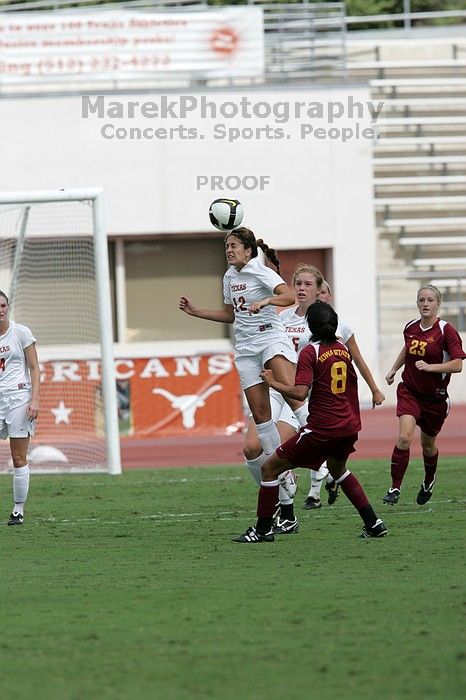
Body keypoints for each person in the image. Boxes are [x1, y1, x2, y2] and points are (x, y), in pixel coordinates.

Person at [232, 300, 388, 542]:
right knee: (338, 469)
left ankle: (263, 530)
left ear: (310, 326)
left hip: (323, 428)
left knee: (269, 468)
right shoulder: (341, 349)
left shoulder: (310, 351)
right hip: (348, 426)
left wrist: (272, 382)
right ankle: (373, 523)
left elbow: (299, 393)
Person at [179, 227, 309, 479]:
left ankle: (322, 451)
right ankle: (282, 476)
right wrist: (197, 312)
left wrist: (267, 301)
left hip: (270, 338)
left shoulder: (261, 270)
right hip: (246, 349)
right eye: (227, 247)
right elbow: (231, 314)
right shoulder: (229, 277)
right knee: (261, 417)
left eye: (234, 246)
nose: (229, 250)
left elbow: (289, 296)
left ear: (248, 250)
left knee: (294, 397)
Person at [301, 279, 386, 510]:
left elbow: (357, 359)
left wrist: (375, 389)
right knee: (325, 453)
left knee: (308, 446)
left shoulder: (342, 328)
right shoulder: (298, 326)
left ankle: (311, 494)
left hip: (329, 402)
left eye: (323, 293)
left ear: (329, 296)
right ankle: (327, 484)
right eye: (314, 292)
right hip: (306, 395)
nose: (319, 297)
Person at [382, 285, 465, 506]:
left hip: (435, 399)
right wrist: (393, 369)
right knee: (404, 438)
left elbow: (457, 365)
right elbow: (407, 349)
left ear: (438, 304)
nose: (425, 304)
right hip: (409, 391)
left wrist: (431, 367)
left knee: (428, 446)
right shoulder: (410, 326)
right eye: (421, 300)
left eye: (429, 300)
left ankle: (429, 480)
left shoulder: (447, 331)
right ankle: (394, 487)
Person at [0, 291, 40, 525]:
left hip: (18, 398)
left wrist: (35, 399)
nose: (0, 310)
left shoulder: (21, 332)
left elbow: (34, 368)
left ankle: (18, 510)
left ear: (8, 306)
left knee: (18, 457)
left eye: (3, 305)